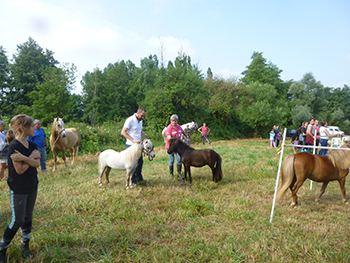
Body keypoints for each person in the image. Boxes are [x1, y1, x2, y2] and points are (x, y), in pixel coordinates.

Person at [0, 114, 40, 262]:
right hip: (18, 189)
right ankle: (2, 248)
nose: (34, 127)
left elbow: (37, 164)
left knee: (28, 217)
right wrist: (31, 158)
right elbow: (20, 170)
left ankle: (25, 247)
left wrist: (24, 158)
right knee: (17, 220)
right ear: (22, 128)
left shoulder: (33, 146)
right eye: (31, 126)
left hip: (32, 186)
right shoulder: (14, 146)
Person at [121, 107, 148, 186]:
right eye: (142, 116)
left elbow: (140, 131)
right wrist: (133, 140)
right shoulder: (130, 120)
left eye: (144, 116)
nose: (143, 118)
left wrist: (145, 139)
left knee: (140, 162)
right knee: (132, 165)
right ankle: (133, 181)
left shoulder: (140, 121)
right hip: (130, 145)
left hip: (138, 146)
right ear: (137, 113)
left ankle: (139, 178)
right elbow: (123, 132)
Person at [165, 114, 189, 179]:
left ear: (177, 121)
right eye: (173, 121)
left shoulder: (179, 127)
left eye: (175, 121)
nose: (174, 122)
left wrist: (187, 137)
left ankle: (179, 173)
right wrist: (176, 140)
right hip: (171, 147)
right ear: (170, 121)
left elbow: (182, 132)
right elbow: (170, 138)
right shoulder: (168, 128)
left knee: (179, 159)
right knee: (172, 160)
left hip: (178, 147)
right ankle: (171, 173)